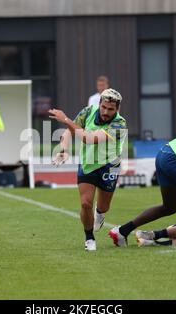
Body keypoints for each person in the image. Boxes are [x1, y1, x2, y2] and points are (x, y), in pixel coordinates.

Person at [49, 88, 127, 251]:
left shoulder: (120, 124)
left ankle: (100, 213)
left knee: (104, 206)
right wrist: (64, 149)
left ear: (117, 109)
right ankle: (89, 238)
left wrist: (66, 119)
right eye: (103, 107)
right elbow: (69, 132)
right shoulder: (88, 112)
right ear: (99, 104)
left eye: (110, 109)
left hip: (110, 165)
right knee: (85, 203)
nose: (105, 112)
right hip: (88, 163)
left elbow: (89, 139)